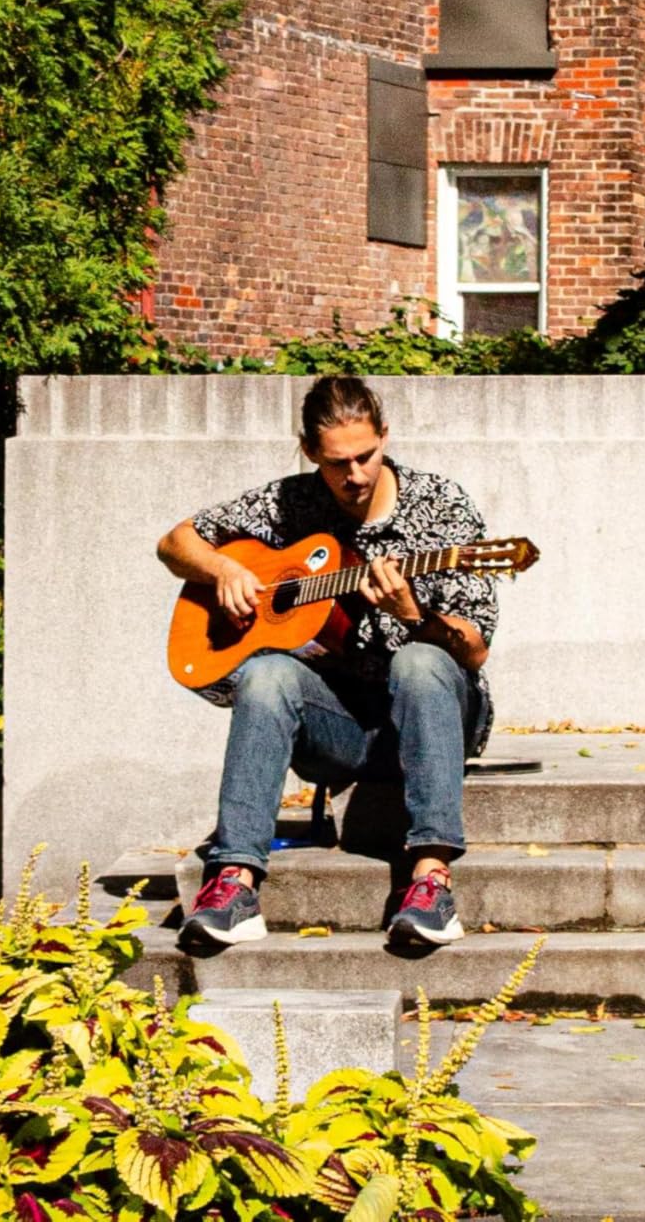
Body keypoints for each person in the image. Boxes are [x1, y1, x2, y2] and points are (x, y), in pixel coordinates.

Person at [156, 372, 497, 957]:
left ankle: (431, 881)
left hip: (432, 715)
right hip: (338, 727)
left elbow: (474, 650)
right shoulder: (291, 502)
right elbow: (175, 542)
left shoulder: (440, 505)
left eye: (365, 456)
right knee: (265, 673)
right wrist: (225, 571)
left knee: (419, 661)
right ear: (311, 451)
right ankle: (234, 883)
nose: (354, 475)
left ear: (384, 436)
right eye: (337, 462)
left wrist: (413, 614)